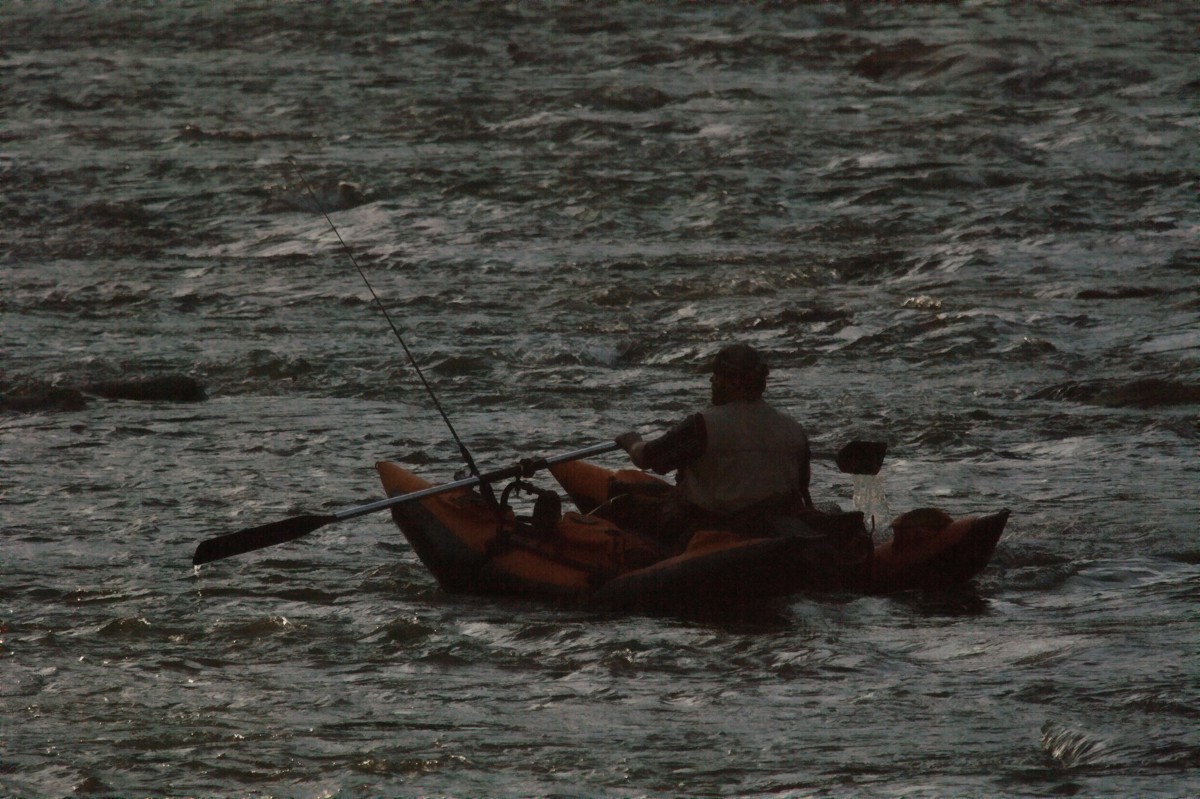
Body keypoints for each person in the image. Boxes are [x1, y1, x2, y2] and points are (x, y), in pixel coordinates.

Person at [614, 343, 813, 549]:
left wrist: (631, 441)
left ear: (730, 381)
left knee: (620, 506)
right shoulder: (794, 429)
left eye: (715, 377)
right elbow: (802, 490)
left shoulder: (702, 425)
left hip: (712, 530)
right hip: (777, 529)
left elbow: (648, 458)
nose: (712, 383)